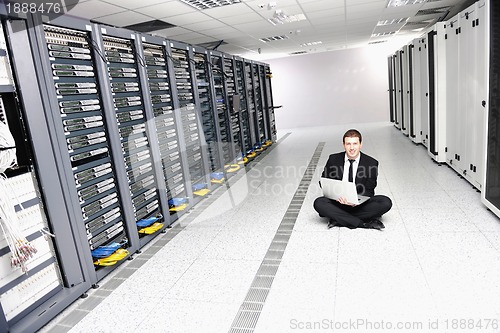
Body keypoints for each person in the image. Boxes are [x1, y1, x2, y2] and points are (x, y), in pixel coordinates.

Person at [313, 129, 392, 230]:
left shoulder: (371, 163)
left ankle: (338, 219)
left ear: (360, 144)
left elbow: (369, 190)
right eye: (348, 144)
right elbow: (324, 181)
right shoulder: (333, 159)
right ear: (344, 145)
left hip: (359, 204)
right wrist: (337, 195)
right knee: (319, 203)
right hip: (338, 202)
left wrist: (356, 201)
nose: (351, 148)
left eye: (355, 144)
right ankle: (363, 223)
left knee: (385, 202)